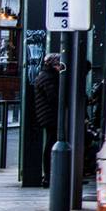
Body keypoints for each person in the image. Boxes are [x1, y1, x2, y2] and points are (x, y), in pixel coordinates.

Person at [33, 53, 63, 182]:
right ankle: (48, 174)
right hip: (50, 115)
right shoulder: (49, 77)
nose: (59, 67)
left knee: (51, 142)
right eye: (58, 64)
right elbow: (53, 97)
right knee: (51, 143)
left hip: (47, 114)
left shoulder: (45, 76)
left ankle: (49, 174)